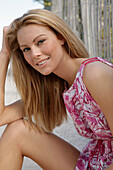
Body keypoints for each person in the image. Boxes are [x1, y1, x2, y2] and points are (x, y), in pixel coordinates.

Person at [0, 8, 113, 170]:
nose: (35, 54)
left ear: (61, 37)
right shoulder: (59, 86)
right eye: (26, 49)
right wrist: (4, 54)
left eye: (40, 42)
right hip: (95, 162)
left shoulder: (95, 73)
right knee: (17, 131)